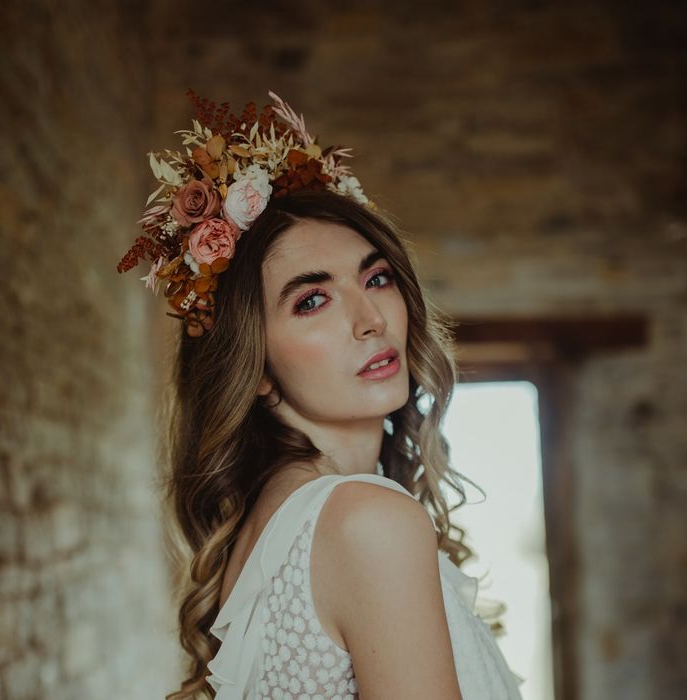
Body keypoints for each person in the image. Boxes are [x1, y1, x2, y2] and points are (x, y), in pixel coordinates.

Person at [119, 91, 525, 699]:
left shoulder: (277, 520)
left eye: (376, 277)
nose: (370, 320)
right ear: (253, 367)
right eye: (312, 300)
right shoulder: (368, 521)